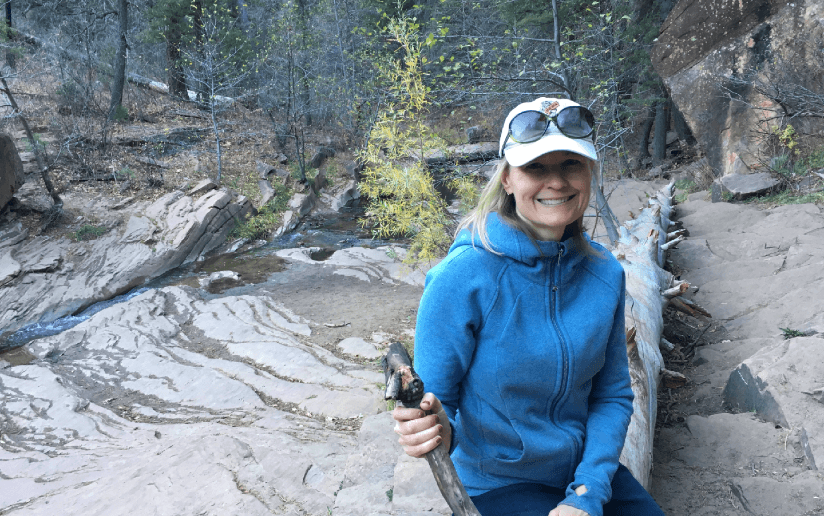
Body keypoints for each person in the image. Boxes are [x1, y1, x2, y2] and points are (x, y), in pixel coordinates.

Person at [392, 97, 665, 516]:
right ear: (506, 179)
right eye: (535, 167)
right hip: (496, 484)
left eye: (571, 164)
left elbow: (611, 395)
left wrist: (587, 493)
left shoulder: (604, 273)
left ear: (589, 172)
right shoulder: (461, 278)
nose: (556, 182)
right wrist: (430, 431)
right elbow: (436, 407)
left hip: (585, 474)